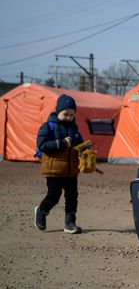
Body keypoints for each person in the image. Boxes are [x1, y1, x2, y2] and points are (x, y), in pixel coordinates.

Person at [33, 94, 85, 234]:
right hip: (54, 169)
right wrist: (60, 144)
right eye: (65, 114)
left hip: (71, 169)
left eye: (71, 114)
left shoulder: (74, 128)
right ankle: (42, 211)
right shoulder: (48, 126)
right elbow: (42, 145)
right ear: (57, 112)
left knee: (72, 196)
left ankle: (70, 223)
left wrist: (86, 149)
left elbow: (80, 144)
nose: (68, 117)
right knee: (54, 195)